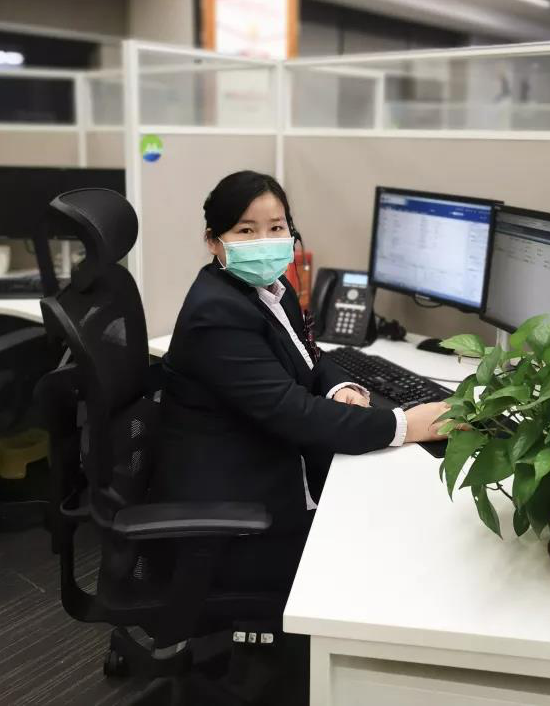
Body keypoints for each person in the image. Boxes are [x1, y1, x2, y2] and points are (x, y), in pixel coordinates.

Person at [151, 170, 451, 701]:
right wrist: (410, 424)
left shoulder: (270, 288)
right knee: (382, 539)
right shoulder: (217, 313)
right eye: (246, 231)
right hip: (236, 507)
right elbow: (294, 414)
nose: (266, 241)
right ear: (214, 242)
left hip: (264, 459)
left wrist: (341, 387)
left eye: (277, 227)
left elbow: (310, 356)